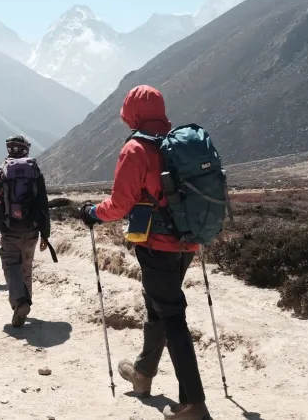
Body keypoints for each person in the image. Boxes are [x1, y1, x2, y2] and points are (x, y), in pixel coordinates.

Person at [80, 85, 210, 420]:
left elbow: (120, 204)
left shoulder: (137, 149)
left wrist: (92, 212)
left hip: (156, 245)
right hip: (187, 241)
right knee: (160, 307)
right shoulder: (180, 144)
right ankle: (143, 372)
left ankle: (193, 403)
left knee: (172, 316)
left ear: (132, 113)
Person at [0, 135, 51, 328]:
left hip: (9, 229)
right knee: (26, 267)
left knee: (10, 266)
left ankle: (20, 303)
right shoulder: (35, 172)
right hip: (31, 230)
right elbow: (43, 204)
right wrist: (45, 234)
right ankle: (26, 302)